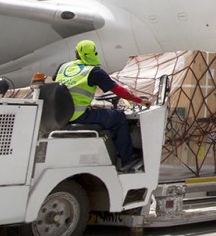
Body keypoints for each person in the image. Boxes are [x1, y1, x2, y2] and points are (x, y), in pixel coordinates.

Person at [55, 39, 148, 172]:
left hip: (60, 116)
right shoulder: (94, 71)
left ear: (77, 54)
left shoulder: (63, 67)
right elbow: (118, 90)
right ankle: (128, 158)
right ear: (94, 53)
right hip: (78, 115)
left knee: (104, 115)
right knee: (118, 117)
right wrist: (139, 100)